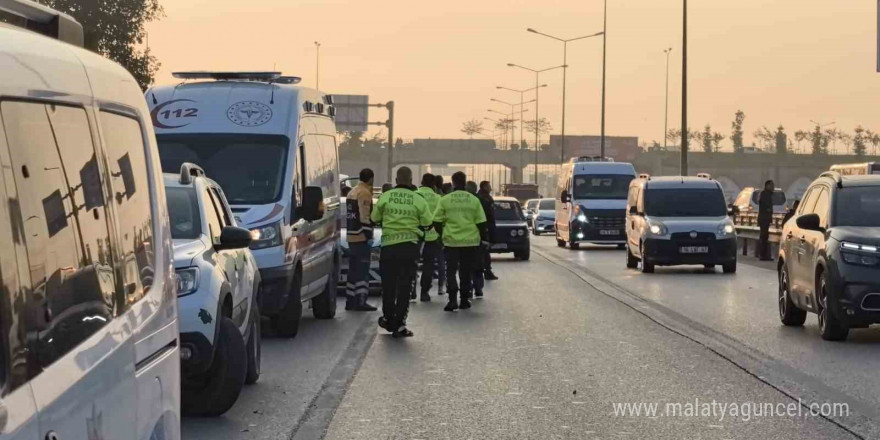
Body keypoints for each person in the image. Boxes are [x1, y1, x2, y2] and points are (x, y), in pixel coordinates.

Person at [371, 166, 433, 337]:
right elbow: (428, 223)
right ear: (411, 180)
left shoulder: (386, 196)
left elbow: (374, 218)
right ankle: (399, 324)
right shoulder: (418, 199)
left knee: (389, 285)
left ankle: (388, 318)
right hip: (409, 249)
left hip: (389, 248)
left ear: (396, 180)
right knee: (405, 286)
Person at [433, 172, 488, 312]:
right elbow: (481, 223)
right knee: (465, 272)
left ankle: (452, 300)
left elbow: (436, 221)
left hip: (451, 242)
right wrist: (483, 240)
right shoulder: (474, 200)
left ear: (453, 183)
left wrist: (441, 235)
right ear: (464, 182)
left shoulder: (445, 200)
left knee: (450, 271)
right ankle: (464, 300)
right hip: (470, 242)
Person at [345, 169, 379, 311]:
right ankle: (361, 300)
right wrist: (369, 235)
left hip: (351, 236)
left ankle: (350, 300)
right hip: (361, 237)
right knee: (363, 270)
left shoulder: (352, 191)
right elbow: (364, 216)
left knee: (353, 271)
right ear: (370, 179)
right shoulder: (364, 193)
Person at [416, 173, 442, 302]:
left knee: (411, 264)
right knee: (428, 265)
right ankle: (424, 292)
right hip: (432, 236)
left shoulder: (415, 195)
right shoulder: (438, 198)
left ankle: (410, 292)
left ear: (421, 182)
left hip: (414, 234)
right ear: (433, 184)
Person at [476, 180, 499, 282]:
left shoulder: (483, 197)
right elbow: (488, 215)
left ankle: (485, 271)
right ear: (484, 187)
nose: (490, 188)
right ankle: (486, 272)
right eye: (489, 186)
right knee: (484, 251)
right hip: (484, 227)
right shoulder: (484, 198)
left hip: (484, 227)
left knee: (484, 251)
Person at [432, 174, 447, 295]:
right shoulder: (442, 198)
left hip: (424, 233)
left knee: (427, 262)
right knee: (441, 261)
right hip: (439, 234)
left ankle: (417, 292)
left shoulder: (421, 196)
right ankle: (441, 287)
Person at [757, 179, 775, 261]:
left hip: (765, 219)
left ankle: (763, 255)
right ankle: (763, 255)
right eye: (771, 185)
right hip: (764, 219)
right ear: (767, 186)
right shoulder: (765, 194)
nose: (773, 187)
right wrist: (768, 211)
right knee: (764, 236)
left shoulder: (767, 194)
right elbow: (765, 207)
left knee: (765, 236)